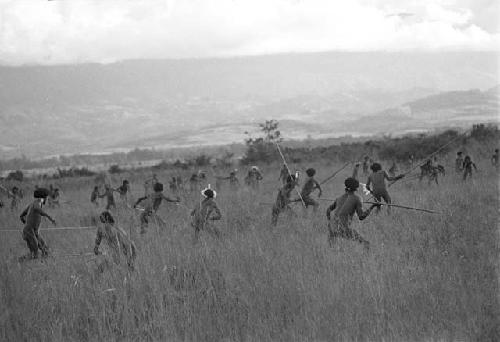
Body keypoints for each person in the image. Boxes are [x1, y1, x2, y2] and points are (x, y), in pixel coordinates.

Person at [326, 177, 378, 249]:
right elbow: (361, 217)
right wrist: (373, 206)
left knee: (331, 249)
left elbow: (328, 210)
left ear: (346, 186)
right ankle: (366, 258)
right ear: (356, 188)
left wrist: (329, 221)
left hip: (331, 227)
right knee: (366, 243)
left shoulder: (339, 198)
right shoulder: (357, 198)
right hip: (342, 228)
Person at [19, 188, 57, 260]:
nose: (47, 199)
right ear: (44, 197)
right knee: (34, 253)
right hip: (29, 231)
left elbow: (21, 216)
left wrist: (27, 223)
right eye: (47, 197)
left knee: (45, 249)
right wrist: (50, 217)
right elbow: (37, 209)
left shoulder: (32, 204)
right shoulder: (37, 203)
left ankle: (44, 264)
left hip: (33, 231)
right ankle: (20, 261)